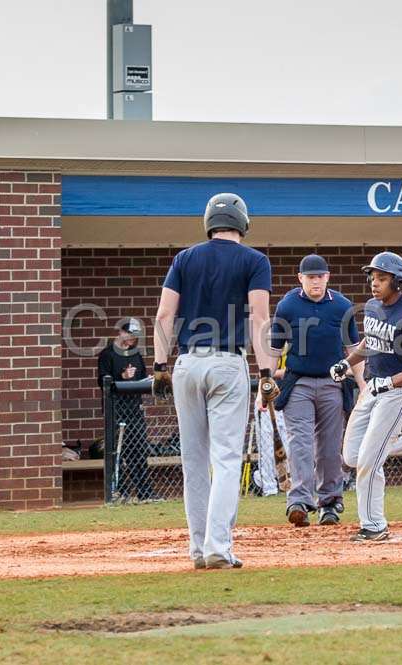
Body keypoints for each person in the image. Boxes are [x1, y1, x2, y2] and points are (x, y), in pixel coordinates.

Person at [151, 193, 277, 570]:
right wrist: (267, 371)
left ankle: (196, 548)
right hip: (226, 361)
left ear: (209, 222)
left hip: (186, 363)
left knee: (193, 462)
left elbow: (164, 313)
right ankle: (218, 547)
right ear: (243, 223)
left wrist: (159, 364)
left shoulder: (184, 258)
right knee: (225, 458)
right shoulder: (255, 261)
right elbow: (259, 318)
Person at [330, 251, 402, 542]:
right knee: (351, 455)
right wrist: (348, 362)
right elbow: (371, 340)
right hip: (374, 386)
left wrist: (391, 382)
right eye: (373, 277)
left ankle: (374, 525)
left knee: (368, 460)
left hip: (398, 392)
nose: (374, 283)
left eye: (382, 278)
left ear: (398, 283)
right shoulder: (374, 307)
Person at [268, 254, 365, 527]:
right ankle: (298, 501)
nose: (316, 281)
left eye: (320, 276)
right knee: (300, 443)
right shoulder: (288, 306)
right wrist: (264, 382)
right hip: (297, 382)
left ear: (328, 277)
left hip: (333, 382)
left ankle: (330, 502)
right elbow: (274, 350)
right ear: (301, 278)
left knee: (330, 447)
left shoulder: (342, 306)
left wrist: (362, 385)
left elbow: (353, 351)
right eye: (311, 277)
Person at [96, 318, 153, 501]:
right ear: (120, 332)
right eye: (129, 334)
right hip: (116, 411)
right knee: (118, 451)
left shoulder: (135, 354)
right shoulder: (108, 354)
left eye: (135, 336)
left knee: (139, 450)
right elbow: (103, 382)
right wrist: (121, 376)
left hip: (134, 409)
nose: (132, 339)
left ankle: (145, 492)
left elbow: (142, 377)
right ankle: (119, 492)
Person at [252, 354, 289, 497]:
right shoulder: (268, 339)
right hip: (268, 396)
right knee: (266, 446)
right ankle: (269, 488)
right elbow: (267, 370)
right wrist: (288, 371)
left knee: (288, 445)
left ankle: (286, 484)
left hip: (287, 397)